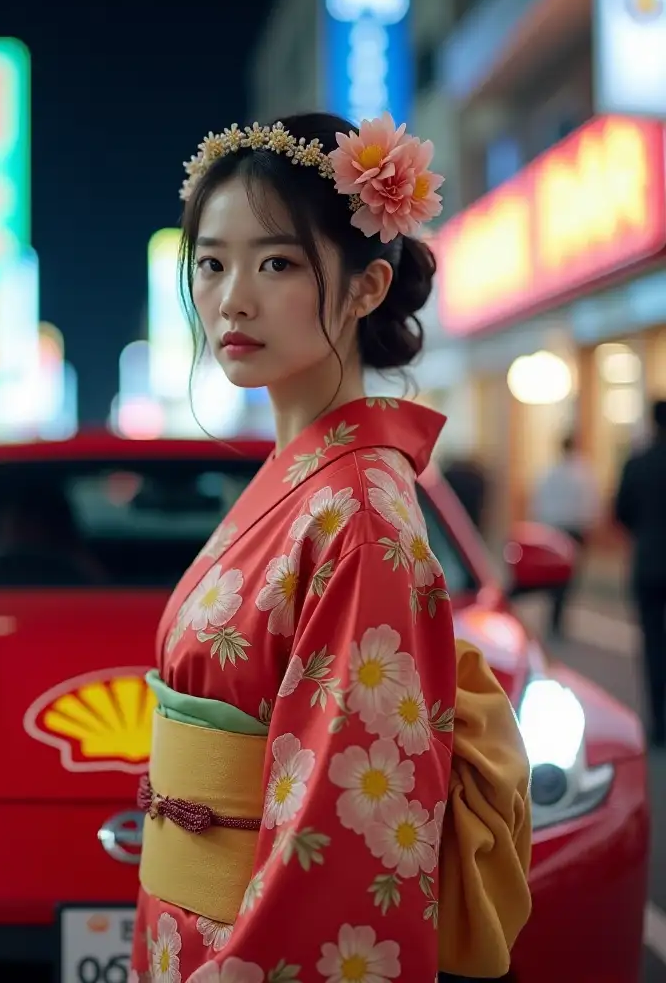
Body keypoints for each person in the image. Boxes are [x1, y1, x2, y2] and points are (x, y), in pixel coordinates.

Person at [130, 114, 531, 983]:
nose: (232, 297)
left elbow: (354, 794)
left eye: (276, 262)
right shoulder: (307, 481)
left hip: (250, 943)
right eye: (211, 262)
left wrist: (248, 965)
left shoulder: (358, 512)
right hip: (193, 921)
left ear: (365, 287)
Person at [614, 399, 666, 750]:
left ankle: (660, 723)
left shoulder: (639, 463)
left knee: (653, 645)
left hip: (649, 563)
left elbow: (620, 512)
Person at [530, 434, 600, 639]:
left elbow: (539, 501)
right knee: (567, 577)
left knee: (555, 575)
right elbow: (591, 504)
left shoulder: (550, 472)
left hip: (554, 528)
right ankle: (558, 616)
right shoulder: (584, 472)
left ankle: (555, 614)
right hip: (573, 530)